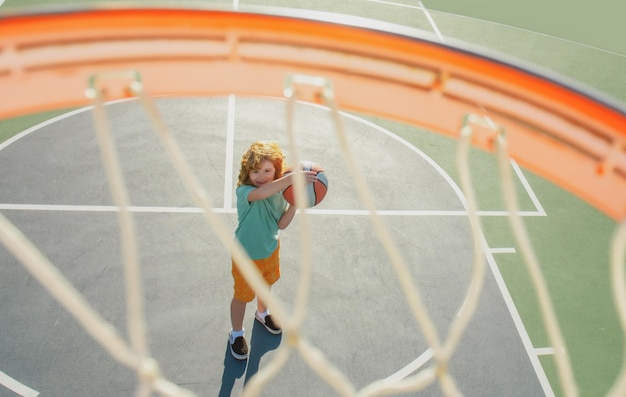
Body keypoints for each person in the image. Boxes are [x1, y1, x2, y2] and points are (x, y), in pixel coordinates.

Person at [229, 141, 317, 360]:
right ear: (246, 173)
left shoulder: (279, 195)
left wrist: (296, 202)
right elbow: (262, 192)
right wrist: (289, 179)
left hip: (270, 249)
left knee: (265, 287)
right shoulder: (244, 191)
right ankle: (236, 333)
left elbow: (281, 224)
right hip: (245, 256)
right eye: (255, 172)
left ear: (276, 170)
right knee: (242, 296)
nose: (261, 177)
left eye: (268, 171)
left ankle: (262, 314)